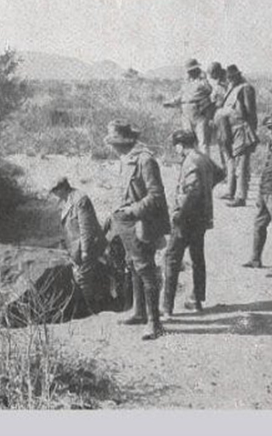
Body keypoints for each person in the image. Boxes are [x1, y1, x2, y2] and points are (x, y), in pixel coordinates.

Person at [104, 120, 170, 340]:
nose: (112, 147)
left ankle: (155, 323)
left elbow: (156, 196)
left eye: (114, 142)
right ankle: (140, 312)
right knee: (132, 265)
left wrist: (132, 211)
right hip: (125, 224)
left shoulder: (145, 160)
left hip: (141, 223)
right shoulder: (126, 159)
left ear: (124, 142)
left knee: (146, 269)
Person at [163, 130, 225, 315]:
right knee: (197, 258)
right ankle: (196, 300)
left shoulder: (190, 161)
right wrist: (207, 189)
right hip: (201, 217)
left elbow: (192, 191)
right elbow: (220, 173)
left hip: (187, 219)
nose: (176, 150)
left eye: (176, 146)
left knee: (171, 258)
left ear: (180, 145)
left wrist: (180, 215)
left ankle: (166, 308)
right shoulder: (203, 157)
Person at [242, 113, 272, 277]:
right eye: (268, 128)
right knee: (259, 225)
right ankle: (255, 259)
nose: (269, 131)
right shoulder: (271, 145)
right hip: (265, 192)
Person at [49, 177, 108, 312]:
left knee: (83, 278)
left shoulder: (80, 199)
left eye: (55, 190)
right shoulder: (66, 200)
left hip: (88, 245)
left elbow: (86, 228)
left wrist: (85, 251)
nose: (54, 194)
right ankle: (92, 306)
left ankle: (93, 310)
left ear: (62, 188)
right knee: (82, 277)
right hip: (76, 246)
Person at [215, 64, 258, 207]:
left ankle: (241, 196)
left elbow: (250, 112)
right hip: (229, 129)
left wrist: (251, 130)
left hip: (242, 129)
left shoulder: (246, 88)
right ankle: (230, 191)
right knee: (231, 161)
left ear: (238, 75)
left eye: (232, 76)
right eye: (228, 77)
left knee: (242, 163)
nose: (230, 79)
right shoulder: (231, 88)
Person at [163, 58, 214, 155]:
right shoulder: (186, 84)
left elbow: (210, 90)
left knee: (202, 140)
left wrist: (203, 79)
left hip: (199, 113)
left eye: (192, 70)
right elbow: (180, 96)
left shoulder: (202, 82)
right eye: (189, 71)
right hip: (186, 114)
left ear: (196, 70)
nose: (190, 73)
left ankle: (205, 162)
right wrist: (170, 103)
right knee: (187, 139)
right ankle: (191, 160)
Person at [207, 62, 229, 170]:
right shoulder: (222, 82)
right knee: (222, 142)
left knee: (224, 142)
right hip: (223, 115)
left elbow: (215, 101)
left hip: (223, 115)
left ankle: (227, 168)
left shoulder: (223, 85)